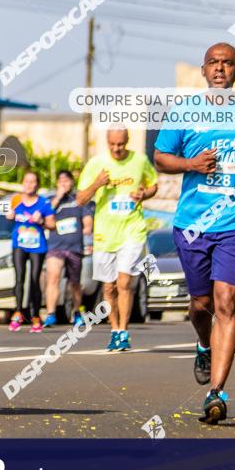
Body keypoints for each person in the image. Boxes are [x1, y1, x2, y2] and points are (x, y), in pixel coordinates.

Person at [154, 42, 235, 424]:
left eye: (228, 63)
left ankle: (217, 393)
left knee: (227, 303)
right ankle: (202, 344)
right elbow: (160, 157)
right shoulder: (184, 110)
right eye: (214, 63)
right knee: (200, 306)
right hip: (193, 225)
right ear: (204, 71)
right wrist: (190, 163)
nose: (221, 69)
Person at [77, 129, 158, 351]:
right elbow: (80, 198)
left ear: (127, 142)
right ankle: (113, 330)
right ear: (107, 142)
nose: (116, 148)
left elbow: (153, 185)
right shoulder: (96, 164)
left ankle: (124, 331)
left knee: (124, 282)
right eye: (112, 144)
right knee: (109, 287)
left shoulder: (140, 160)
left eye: (120, 144)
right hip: (105, 234)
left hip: (132, 230)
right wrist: (97, 183)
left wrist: (144, 194)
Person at [6, 171, 56, 333]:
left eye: (32, 182)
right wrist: (9, 216)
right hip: (19, 244)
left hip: (37, 245)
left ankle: (35, 316)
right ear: (23, 183)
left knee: (34, 280)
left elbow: (52, 225)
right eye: (26, 181)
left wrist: (41, 221)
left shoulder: (43, 203)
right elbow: (9, 215)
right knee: (19, 277)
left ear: (37, 185)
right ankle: (18, 312)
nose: (29, 185)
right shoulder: (15, 200)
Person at [44, 170, 93, 328]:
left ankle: (77, 311)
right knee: (53, 278)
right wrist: (58, 196)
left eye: (66, 181)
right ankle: (50, 314)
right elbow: (46, 216)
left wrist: (82, 233)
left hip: (74, 247)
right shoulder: (52, 200)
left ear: (72, 183)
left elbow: (88, 225)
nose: (64, 184)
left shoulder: (78, 200)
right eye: (61, 181)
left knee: (75, 282)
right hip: (55, 246)